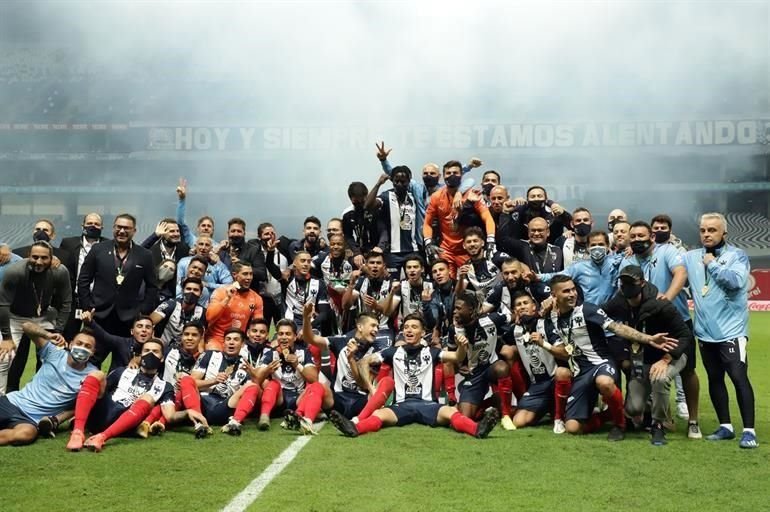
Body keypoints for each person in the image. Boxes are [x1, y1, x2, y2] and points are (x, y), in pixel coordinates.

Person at [547, 275, 678, 441]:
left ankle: (620, 425)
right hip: (580, 371)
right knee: (573, 428)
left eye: (573, 289)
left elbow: (617, 328)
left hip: (601, 363)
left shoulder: (587, 310)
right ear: (554, 295)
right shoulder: (552, 316)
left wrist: (648, 338)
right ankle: (608, 414)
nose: (572, 294)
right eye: (566, 291)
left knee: (605, 382)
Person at [329, 313, 499, 439]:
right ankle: (354, 429)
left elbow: (456, 358)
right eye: (406, 327)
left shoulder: (432, 352)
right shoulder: (392, 352)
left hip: (428, 405)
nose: (409, 330)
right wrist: (370, 387)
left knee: (451, 412)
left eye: (414, 327)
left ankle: (478, 429)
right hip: (401, 405)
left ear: (423, 331)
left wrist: (462, 347)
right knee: (378, 416)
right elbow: (365, 361)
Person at [682, 213, 757, 449]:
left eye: (712, 230)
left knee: (738, 376)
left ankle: (749, 431)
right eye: (703, 230)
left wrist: (712, 264)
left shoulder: (738, 256)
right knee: (715, 379)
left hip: (732, 332)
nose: (706, 234)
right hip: (704, 332)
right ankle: (725, 426)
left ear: (724, 233)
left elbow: (735, 282)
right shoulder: (690, 257)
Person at [621, 221, 700, 436]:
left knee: (688, 371)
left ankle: (693, 419)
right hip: (647, 328)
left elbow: (681, 274)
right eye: (633, 237)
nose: (637, 240)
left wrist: (666, 299)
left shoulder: (667, 251)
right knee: (648, 369)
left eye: (641, 235)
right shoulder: (627, 260)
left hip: (676, 321)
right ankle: (653, 416)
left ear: (652, 237)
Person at [603, 266, 694, 445]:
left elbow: (685, 336)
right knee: (633, 408)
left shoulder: (661, 304)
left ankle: (657, 425)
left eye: (631, 282)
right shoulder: (620, 301)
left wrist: (666, 359)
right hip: (642, 358)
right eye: (623, 283)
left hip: (670, 355)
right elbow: (600, 312)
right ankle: (647, 412)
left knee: (659, 377)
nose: (626, 286)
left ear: (642, 283)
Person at [65, 338, 196, 452]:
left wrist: (186, 413)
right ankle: (77, 432)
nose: (150, 354)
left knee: (148, 398)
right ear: (140, 355)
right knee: (97, 375)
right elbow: (97, 392)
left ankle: (102, 437)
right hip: (104, 412)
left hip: (127, 421)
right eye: (146, 351)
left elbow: (170, 416)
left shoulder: (164, 385)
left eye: (155, 352)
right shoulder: (122, 371)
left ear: (162, 359)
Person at [0, 323, 96, 446]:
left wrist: (56, 420)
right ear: (71, 344)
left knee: (26, 434)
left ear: (93, 352)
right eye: (79, 343)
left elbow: (91, 401)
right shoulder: (54, 353)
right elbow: (26, 326)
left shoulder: (92, 375)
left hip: (30, 420)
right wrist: (48, 335)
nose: (82, 348)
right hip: (12, 402)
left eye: (87, 346)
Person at [77, 213, 158, 349]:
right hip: (98, 315)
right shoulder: (98, 249)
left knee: (123, 360)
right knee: (92, 358)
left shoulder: (145, 255)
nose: (122, 231)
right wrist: (87, 307)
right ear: (113, 228)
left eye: (127, 228)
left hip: (128, 318)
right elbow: (84, 279)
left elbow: (152, 286)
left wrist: (143, 311)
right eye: (118, 227)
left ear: (134, 231)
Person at [0, 241, 72, 393]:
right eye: (35, 257)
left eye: (44, 258)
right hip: (15, 317)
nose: (39, 261)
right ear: (28, 256)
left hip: (44, 316)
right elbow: (3, 305)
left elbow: (66, 303)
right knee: (3, 358)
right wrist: (6, 338)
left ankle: (44, 396)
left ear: (52, 258)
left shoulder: (60, 271)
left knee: (55, 356)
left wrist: (58, 331)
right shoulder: (15, 271)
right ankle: (1, 400)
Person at [302, 304, 392, 421]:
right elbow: (311, 339)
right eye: (373, 326)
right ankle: (306, 420)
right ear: (360, 327)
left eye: (378, 327)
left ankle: (357, 421)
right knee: (319, 386)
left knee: (377, 391)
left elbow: (364, 384)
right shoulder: (341, 341)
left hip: (361, 402)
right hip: (337, 400)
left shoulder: (376, 352)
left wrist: (351, 359)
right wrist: (306, 318)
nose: (376, 330)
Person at [502, 292, 572, 432]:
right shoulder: (514, 331)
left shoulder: (546, 324)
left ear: (534, 307)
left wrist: (543, 343)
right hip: (537, 385)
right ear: (514, 311)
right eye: (518, 305)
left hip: (555, 379)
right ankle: (548, 407)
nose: (522, 307)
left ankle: (558, 418)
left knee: (562, 372)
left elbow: (565, 353)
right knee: (519, 421)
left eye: (525, 303)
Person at [177, 329, 262, 437]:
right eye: (228, 339)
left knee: (253, 386)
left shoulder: (245, 364)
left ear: (242, 344)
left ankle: (234, 423)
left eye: (236, 340)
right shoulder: (209, 355)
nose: (231, 342)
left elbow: (256, 396)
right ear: (223, 342)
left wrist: (254, 376)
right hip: (202, 403)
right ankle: (199, 423)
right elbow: (192, 383)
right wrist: (213, 381)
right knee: (186, 379)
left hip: (224, 406)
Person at [256, 319, 331, 434]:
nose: (284, 337)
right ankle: (264, 417)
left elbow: (313, 378)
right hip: (278, 400)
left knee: (317, 386)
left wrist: (297, 365)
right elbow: (256, 379)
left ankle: (306, 421)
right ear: (277, 337)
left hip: (298, 399)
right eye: (280, 334)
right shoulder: (271, 354)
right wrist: (267, 370)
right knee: (272, 383)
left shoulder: (303, 352)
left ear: (295, 337)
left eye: (288, 334)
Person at [423, 161, 496, 277]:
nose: (452, 175)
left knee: (472, 283)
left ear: (461, 175)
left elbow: (487, 217)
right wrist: (428, 243)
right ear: (443, 175)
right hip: (446, 250)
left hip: (468, 249)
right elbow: (427, 223)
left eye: (455, 173)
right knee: (445, 284)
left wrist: (491, 240)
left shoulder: (472, 194)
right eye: (448, 173)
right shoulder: (436, 197)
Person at [447, 292, 511, 421]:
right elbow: (452, 355)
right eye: (454, 308)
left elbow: (511, 316)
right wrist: (460, 366)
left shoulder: (491, 320)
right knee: (466, 416)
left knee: (502, 367)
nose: (454, 311)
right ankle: (489, 404)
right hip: (474, 374)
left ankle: (506, 415)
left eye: (458, 308)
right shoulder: (454, 330)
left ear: (470, 309)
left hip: (490, 367)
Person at [59, 213, 106, 342]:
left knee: (95, 340)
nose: (93, 226)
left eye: (96, 224)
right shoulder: (68, 243)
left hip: (98, 302)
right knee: (67, 337)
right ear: (82, 226)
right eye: (89, 223)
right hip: (74, 299)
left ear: (102, 227)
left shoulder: (108, 245)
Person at [366, 167, 420, 279]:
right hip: (392, 253)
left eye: (403, 181)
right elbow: (368, 205)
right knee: (392, 284)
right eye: (396, 181)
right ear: (392, 181)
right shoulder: (386, 196)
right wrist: (378, 184)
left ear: (409, 181)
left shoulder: (413, 197)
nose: (399, 184)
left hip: (412, 251)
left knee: (414, 284)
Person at [498, 217, 563, 303]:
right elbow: (502, 239)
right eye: (533, 230)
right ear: (528, 233)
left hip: (554, 297)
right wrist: (505, 214)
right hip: (529, 299)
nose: (536, 233)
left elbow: (564, 273)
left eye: (540, 230)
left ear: (548, 232)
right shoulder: (522, 247)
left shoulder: (557, 250)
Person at [206, 262, 263, 350]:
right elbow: (209, 317)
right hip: (216, 339)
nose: (249, 278)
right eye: (245, 274)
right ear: (235, 275)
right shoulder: (220, 292)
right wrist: (227, 298)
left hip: (239, 342)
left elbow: (258, 325)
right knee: (213, 354)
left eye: (251, 274)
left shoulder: (256, 298)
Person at [150, 277, 206, 348]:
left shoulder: (202, 312)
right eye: (188, 289)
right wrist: (154, 341)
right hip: (162, 346)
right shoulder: (170, 305)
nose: (191, 292)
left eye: (196, 290)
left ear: (200, 294)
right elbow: (149, 323)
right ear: (183, 291)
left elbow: (202, 337)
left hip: (185, 350)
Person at [506, 186, 571, 245]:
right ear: (527, 199)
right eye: (533, 196)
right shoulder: (520, 212)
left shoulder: (554, 212)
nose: (536, 199)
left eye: (539, 196)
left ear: (546, 199)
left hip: (553, 252)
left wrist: (564, 214)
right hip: (524, 251)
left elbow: (573, 226)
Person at [342, 182, 380, 268]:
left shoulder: (376, 209)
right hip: (361, 250)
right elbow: (348, 235)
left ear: (367, 196)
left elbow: (384, 230)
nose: (360, 205)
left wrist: (381, 247)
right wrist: (356, 252)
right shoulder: (347, 214)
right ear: (350, 199)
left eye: (362, 201)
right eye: (356, 202)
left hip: (379, 249)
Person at [174, 178, 216, 247]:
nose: (206, 228)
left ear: (213, 230)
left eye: (209, 226)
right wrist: (182, 199)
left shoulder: (218, 247)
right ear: (198, 228)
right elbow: (181, 222)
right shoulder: (192, 240)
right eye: (203, 225)